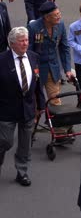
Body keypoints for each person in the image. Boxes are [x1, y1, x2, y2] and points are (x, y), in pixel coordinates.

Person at [0, 27, 45, 186]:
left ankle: (22, 172)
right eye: (21, 41)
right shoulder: (2, 60)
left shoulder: (34, 57)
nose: (25, 43)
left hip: (28, 109)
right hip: (6, 109)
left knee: (25, 144)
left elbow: (38, 83)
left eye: (26, 40)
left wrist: (41, 103)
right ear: (12, 44)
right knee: (5, 141)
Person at [27, 1, 73, 139]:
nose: (59, 17)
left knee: (55, 100)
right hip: (36, 69)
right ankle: (30, 129)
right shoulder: (33, 27)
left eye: (59, 14)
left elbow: (64, 47)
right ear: (46, 17)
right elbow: (28, 49)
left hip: (52, 68)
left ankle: (59, 131)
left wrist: (67, 69)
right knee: (35, 102)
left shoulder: (60, 26)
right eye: (55, 15)